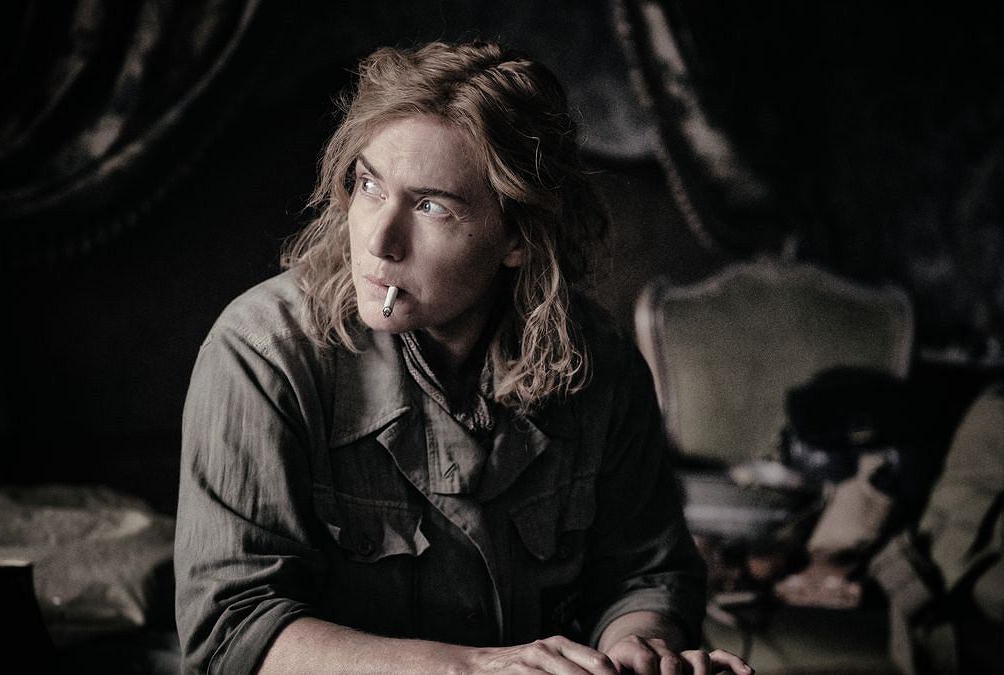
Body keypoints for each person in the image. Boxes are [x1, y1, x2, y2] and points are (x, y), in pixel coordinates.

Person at [174, 40, 753, 675]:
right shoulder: (262, 354)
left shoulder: (600, 363)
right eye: (369, 185)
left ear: (517, 236)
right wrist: (473, 668)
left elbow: (645, 575)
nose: (379, 241)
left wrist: (637, 644)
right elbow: (233, 629)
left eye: (431, 206)